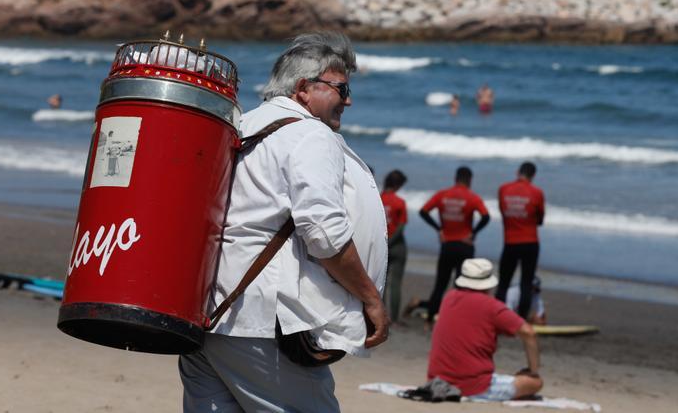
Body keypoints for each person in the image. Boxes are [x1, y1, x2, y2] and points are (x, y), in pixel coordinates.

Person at [178, 32, 390, 413]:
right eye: (341, 89)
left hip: (206, 312)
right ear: (305, 88)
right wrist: (370, 298)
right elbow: (323, 232)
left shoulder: (241, 125)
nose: (349, 100)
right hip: (259, 321)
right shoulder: (309, 134)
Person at [427, 258, 542, 401]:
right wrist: (534, 370)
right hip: (473, 386)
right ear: (488, 284)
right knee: (535, 383)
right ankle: (530, 375)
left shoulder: (448, 298)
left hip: (437, 380)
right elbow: (528, 332)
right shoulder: (492, 306)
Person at [410, 166, 490, 325]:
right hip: (465, 246)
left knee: (440, 283)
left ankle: (430, 320)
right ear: (470, 180)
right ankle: (457, 319)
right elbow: (486, 217)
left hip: (447, 245)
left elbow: (423, 211)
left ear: (456, 178)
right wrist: (473, 233)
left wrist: (439, 229)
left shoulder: (442, 195)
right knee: (462, 285)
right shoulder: (472, 197)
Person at [495, 162, 545, 320]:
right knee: (526, 282)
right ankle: (521, 320)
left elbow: (503, 212)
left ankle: (498, 317)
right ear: (533, 176)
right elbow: (540, 219)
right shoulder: (537, 193)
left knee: (503, 282)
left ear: (518, 172)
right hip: (530, 242)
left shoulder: (503, 189)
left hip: (510, 241)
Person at [381, 169, 408, 326]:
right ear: (398, 184)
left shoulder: (377, 199)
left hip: (381, 245)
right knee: (396, 283)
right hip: (397, 246)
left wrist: (384, 243)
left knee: (381, 282)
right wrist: (391, 242)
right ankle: (396, 318)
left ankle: (383, 317)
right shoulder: (399, 202)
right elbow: (401, 226)